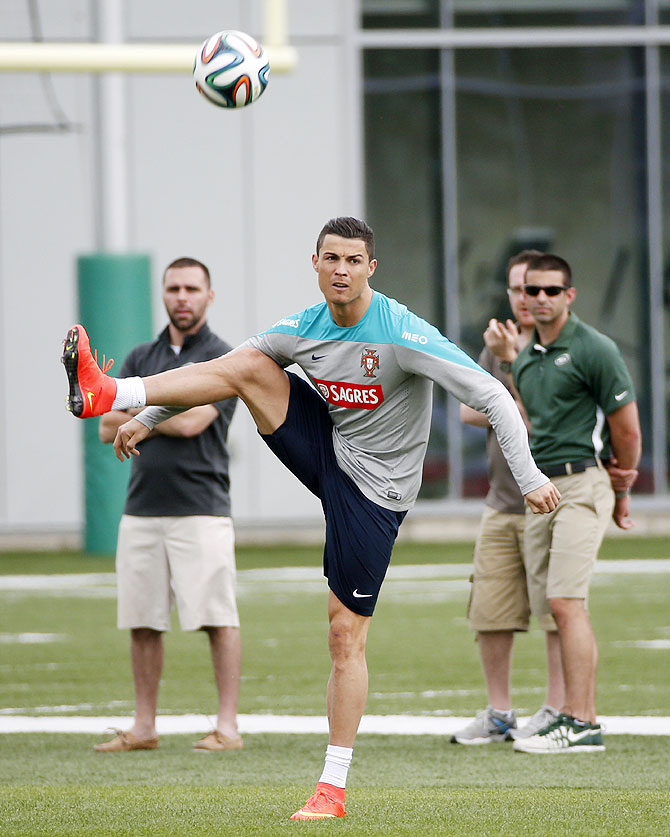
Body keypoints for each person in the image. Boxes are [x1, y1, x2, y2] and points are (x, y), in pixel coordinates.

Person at [62, 217, 560, 818]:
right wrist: (149, 417)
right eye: (332, 259)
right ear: (317, 263)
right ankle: (108, 394)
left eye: (354, 260)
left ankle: (333, 788)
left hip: (374, 494)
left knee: (343, 633)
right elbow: (222, 373)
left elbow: (496, 398)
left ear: (371, 268)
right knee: (247, 364)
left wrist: (529, 477)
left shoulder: (401, 332)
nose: (342, 270)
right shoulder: (305, 325)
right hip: (325, 449)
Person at [484, 252, 641, 754]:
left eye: (553, 291)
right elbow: (528, 424)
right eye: (533, 291)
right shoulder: (526, 358)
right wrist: (508, 364)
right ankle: (568, 714)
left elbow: (628, 429)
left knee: (567, 603)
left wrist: (621, 489)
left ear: (569, 296)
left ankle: (582, 721)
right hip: (543, 491)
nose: (542, 299)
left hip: (581, 483)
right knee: (555, 608)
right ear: (521, 296)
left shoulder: (595, 348)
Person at [93, 257, 242, 754]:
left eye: (192, 288)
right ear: (163, 294)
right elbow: (104, 427)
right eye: (174, 288)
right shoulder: (141, 355)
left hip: (202, 507)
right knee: (142, 620)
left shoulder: (223, 357)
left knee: (217, 619)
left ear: (209, 295)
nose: (182, 296)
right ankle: (144, 726)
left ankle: (227, 726)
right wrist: (153, 413)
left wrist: (135, 410)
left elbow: (195, 421)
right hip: (141, 509)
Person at [451, 250, 566, 746]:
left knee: (557, 612)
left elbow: (552, 419)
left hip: (554, 499)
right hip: (501, 501)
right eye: (519, 290)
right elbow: (467, 412)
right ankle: (500, 712)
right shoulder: (497, 345)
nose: (527, 299)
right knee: (490, 612)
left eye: (537, 289)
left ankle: (557, 709)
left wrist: (512, 382)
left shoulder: (563, 346)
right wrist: (508, 394)